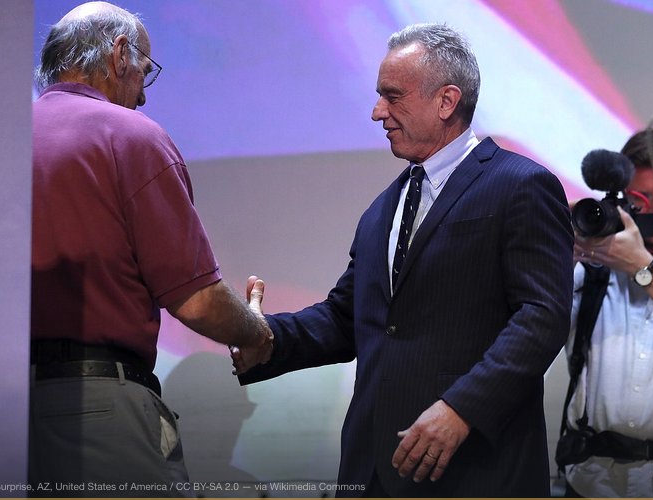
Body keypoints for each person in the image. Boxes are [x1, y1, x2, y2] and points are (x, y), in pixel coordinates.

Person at [232, 23, 573, 497]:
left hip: (475, 469)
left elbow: (542, 316)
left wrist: (461, 408)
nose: (377, 112)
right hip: (373, 468)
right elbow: (347, 318)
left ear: (447, 101)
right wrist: (266, 338)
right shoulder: (382, 210)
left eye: (392, 97)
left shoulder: (521, 185)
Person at [29, 2, 272, 495]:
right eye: (145, 71)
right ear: (120, 54)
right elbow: (197, 301)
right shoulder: (130, 136)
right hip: (98, 413)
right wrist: (257, 331)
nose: (142, 95)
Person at [563, 129, 653, 497]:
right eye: (641, 198)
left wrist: (640, 266)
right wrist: (556, 253)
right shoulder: (592, 266)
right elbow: (528, 333)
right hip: (590, 481)